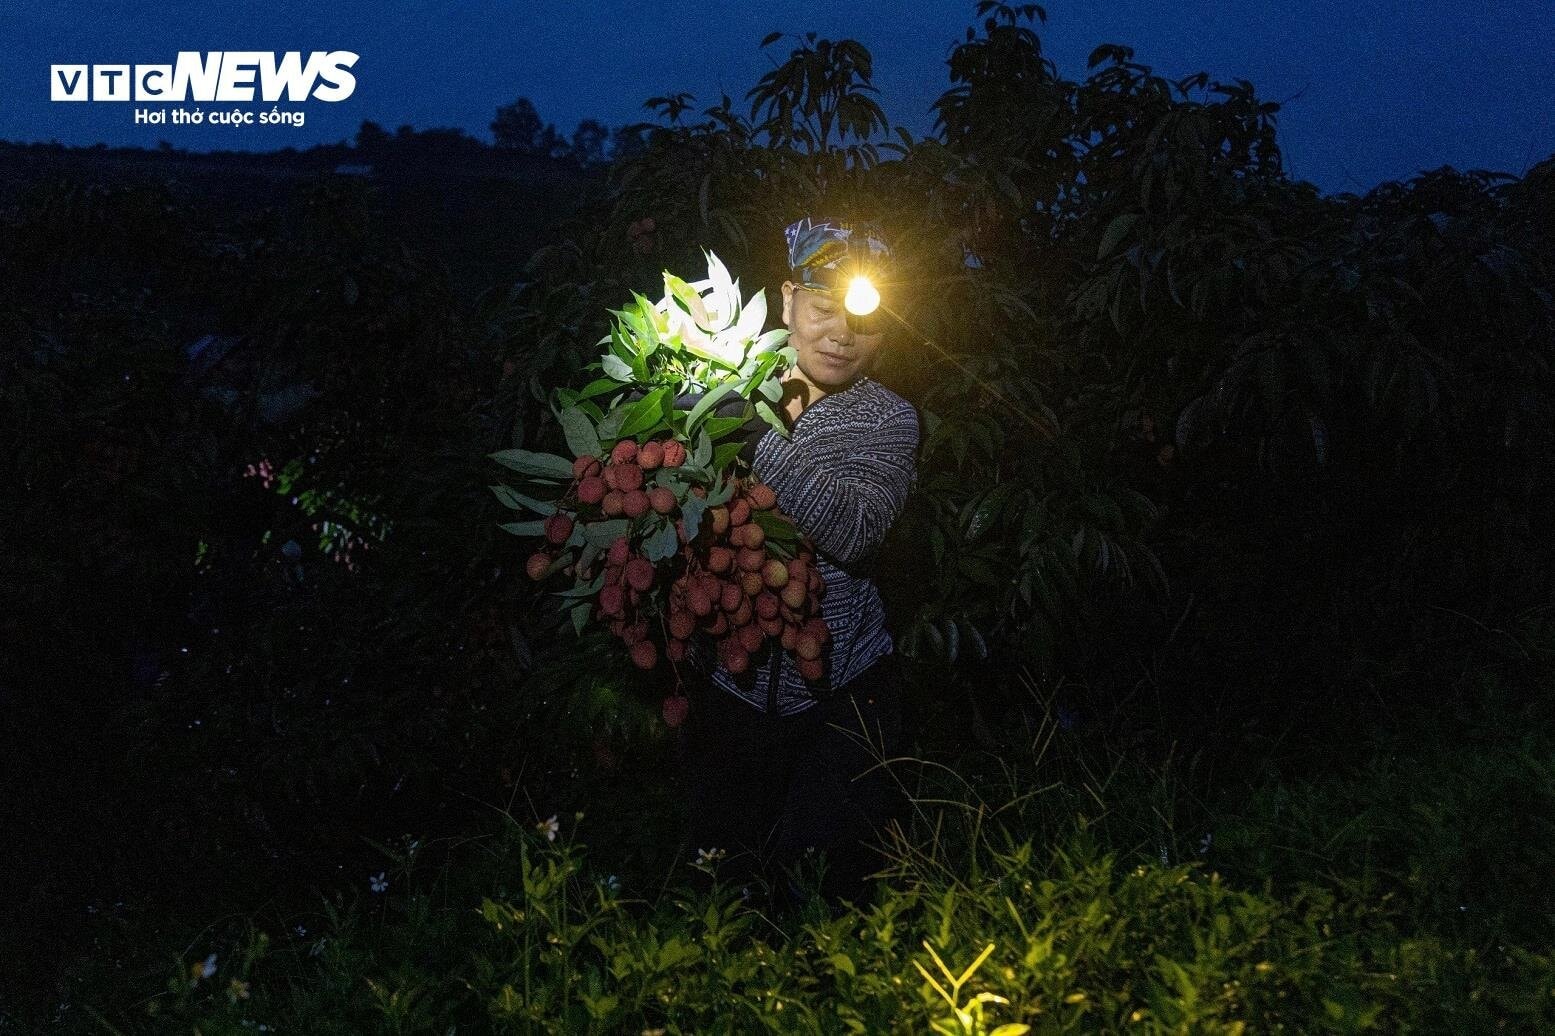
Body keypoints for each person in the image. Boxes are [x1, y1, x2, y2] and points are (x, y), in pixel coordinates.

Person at [679, 216, 920, 910]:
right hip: (730, 684)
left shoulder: (887, 419)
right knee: (720, 882)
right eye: (821, 311)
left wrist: (753, 435)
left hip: (845, 690)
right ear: (786, 301)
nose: (842, 335)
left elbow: (855, 530)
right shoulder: (722, 378)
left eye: (864, 325)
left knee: (829, 891)